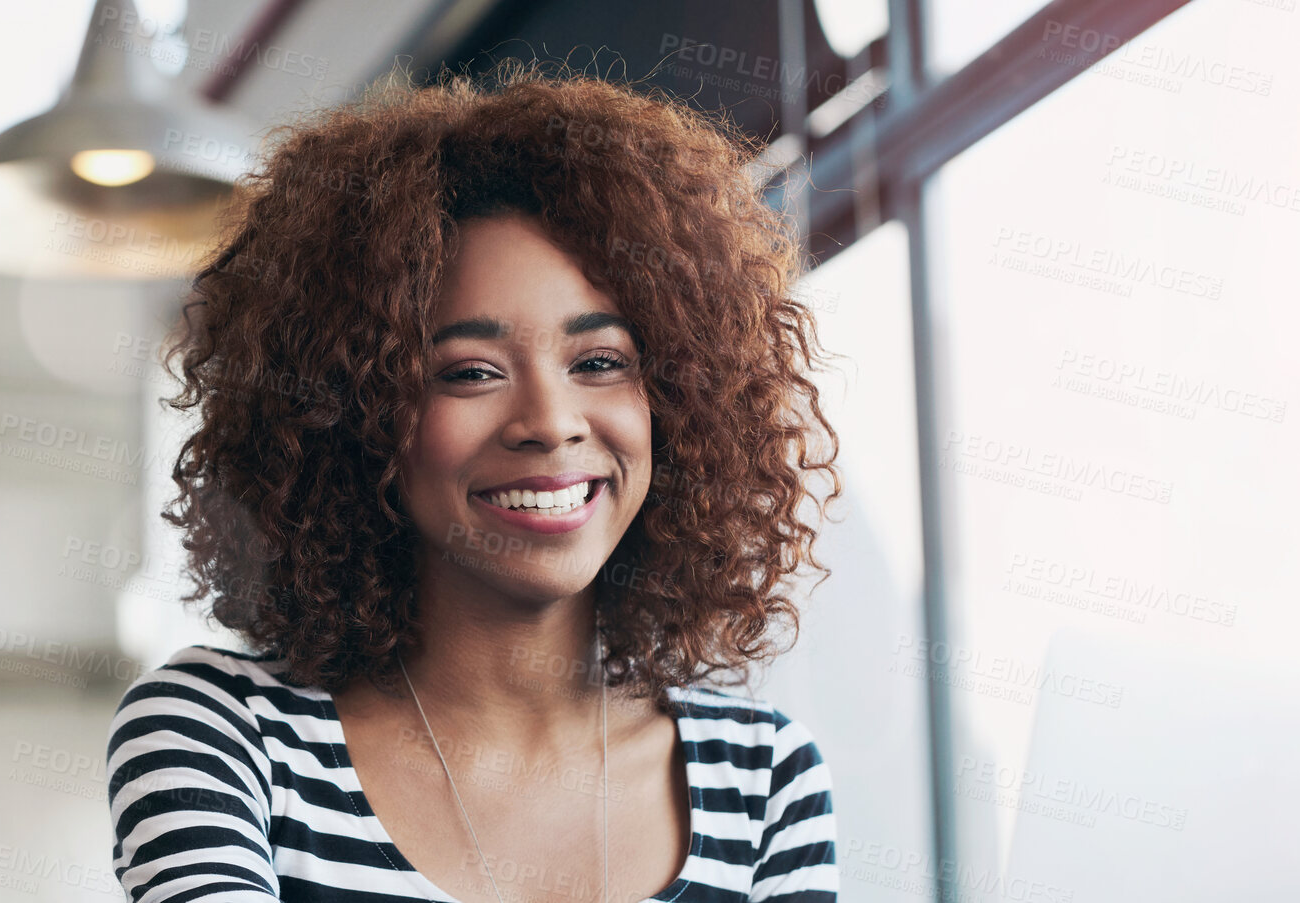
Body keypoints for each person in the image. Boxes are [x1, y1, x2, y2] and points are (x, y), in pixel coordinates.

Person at [105, 61, 844, 903]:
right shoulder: (224, 734)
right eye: (469, 372)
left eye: (600, 361)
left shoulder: (763, 779)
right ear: (353, 414)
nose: (550, 420)